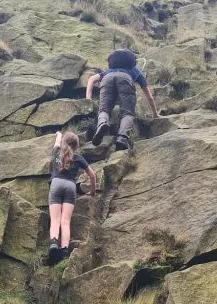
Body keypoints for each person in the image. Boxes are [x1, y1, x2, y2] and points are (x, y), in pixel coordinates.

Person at [86, 48, 158, 151]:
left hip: (107, 79)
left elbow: (92, 79)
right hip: (125, 78)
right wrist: (155, 114)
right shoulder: (135, 70)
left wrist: (88, 97)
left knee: (104, 110)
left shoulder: (109, 71)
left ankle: (102, 123)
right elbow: (149, 97)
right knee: (128, 113)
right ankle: (122, 137)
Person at [47, 130, 96, 265]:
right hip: (70, 186)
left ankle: (53, 244)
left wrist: (58, 134)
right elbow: (92, 175)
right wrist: (92, 191)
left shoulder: (57, 152)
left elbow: (57, 142)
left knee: (55, 220)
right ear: (76, 145)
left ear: (64, 142)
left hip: (56, 183)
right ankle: (64, 250)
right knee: (65, 221)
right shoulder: (78, 158)